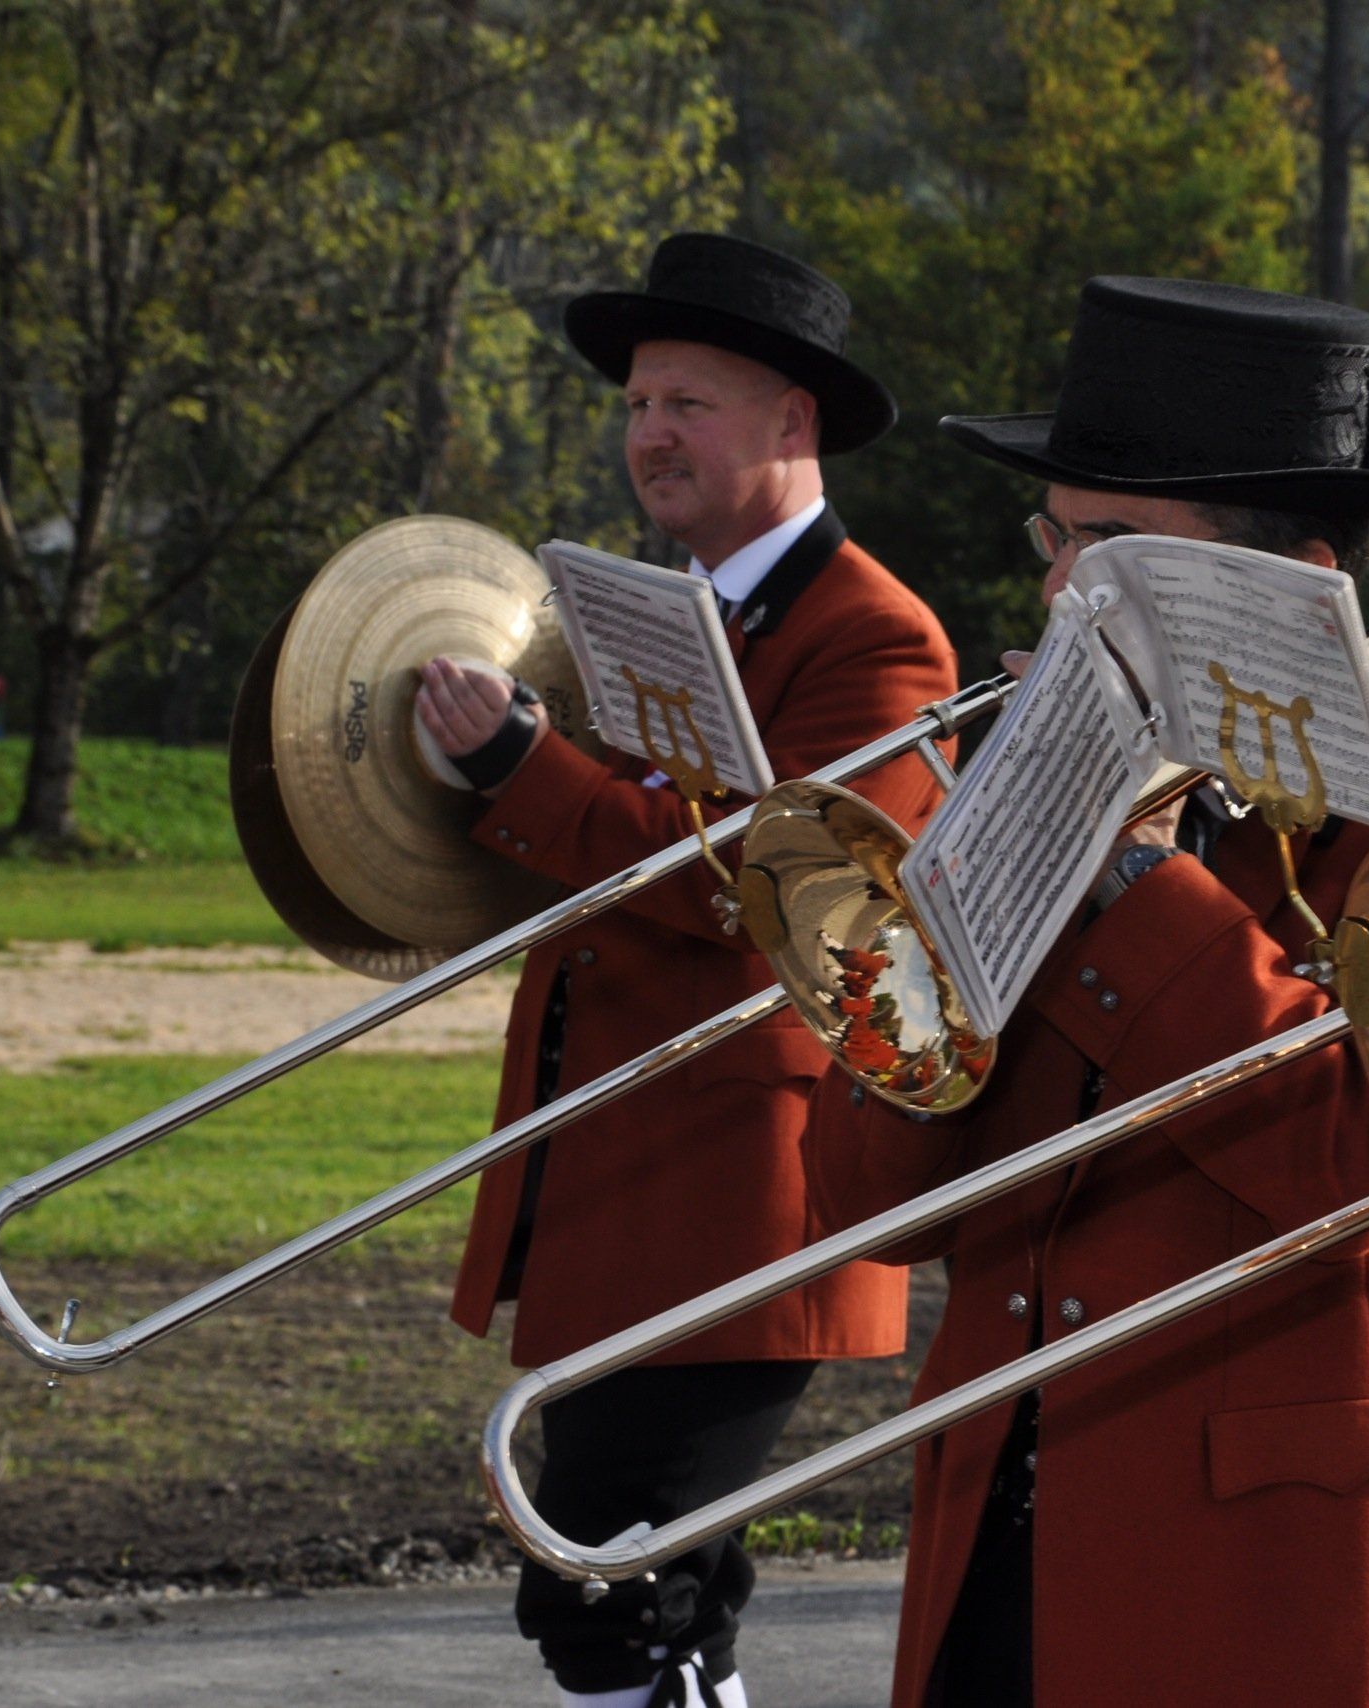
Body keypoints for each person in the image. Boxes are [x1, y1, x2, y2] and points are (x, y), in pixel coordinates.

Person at [801, 276, 1369, 1708]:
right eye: (1056, 539)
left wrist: (1138, 883)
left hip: (1263, 1574)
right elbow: (867, 1201)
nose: (1057, 592)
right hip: (997, 1520)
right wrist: (969, 902)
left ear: (1292, 585)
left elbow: (1365, 1173)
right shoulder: (1041, 779)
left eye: (1111, 551)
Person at [418, 233, 959, 1708]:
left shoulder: (877, 638)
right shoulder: (664, 608)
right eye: (639, 404)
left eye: (688, 404)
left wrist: (522, 765)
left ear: (792, 420)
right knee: (653, 1591)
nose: (651, 433)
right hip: (618, 1163)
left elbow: (765, 889)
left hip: (737, 1187)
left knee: (606, 1581)